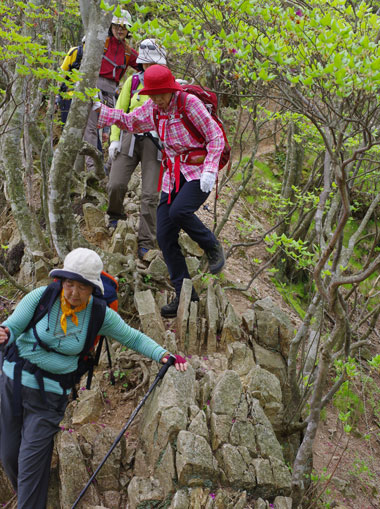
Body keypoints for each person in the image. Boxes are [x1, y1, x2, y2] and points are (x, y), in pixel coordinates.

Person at [0, 247, 186, 509]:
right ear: (62, 281)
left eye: (82, 287)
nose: (74, 293)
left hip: (50, 398)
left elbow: (131, 336)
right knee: (8, 455)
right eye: (69, 284)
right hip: (13, 385)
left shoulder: (99, 314)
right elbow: (12, 325)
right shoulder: (41, 297)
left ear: (93, 288)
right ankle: (28, 498)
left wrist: (163, 354)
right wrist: (5, 332)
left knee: (30, 461)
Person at [93, 65, 226, 318]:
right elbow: (130, 121)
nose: (156, 100)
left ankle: (212, 246)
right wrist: (103, 112)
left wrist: (210, 169)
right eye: (152, 94)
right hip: (172, 173)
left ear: (170, 90)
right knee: (165, 237)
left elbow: (215, 137)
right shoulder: (154, 108)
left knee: (179, 211)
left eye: (160, 94)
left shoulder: (190, 104)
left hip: (198, 170)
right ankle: (186, 294)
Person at [107, 39, 167, 260]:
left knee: (151, 194)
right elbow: (118, 113)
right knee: (116, 183)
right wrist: (114, 140)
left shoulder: (168, 86)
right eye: (146, 63)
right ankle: (114, 215)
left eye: (154, 63)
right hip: (129, 137)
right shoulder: (133, 82)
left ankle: (146, 241)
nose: (150, 67)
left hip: (155, 142)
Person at [59, 10, 139, 175]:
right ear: (111, 26)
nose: (120, 30)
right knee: (91, 128)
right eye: (117, 26)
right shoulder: (102, 42)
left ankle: (109, 167)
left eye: (124, 27)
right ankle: (93, 169)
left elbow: (144, 65)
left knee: (111, 131)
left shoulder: (128, 51)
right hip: (93, 88)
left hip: (111, 93)